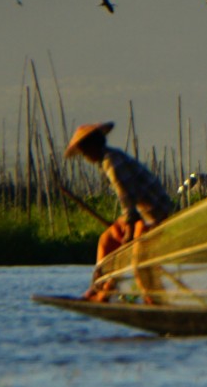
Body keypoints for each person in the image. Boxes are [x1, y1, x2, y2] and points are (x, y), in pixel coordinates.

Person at [63, 121, 175, 298]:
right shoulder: (109, 159)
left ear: (93, 147)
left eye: (84, 151)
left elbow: (126, 195)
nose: (84, 156)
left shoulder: (112, 162)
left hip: (153, 216)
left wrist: (129, 233)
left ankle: (153, 301)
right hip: (140, 214)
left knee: (139, 264)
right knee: (107, 241)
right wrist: (125, 229)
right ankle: (100, 289)